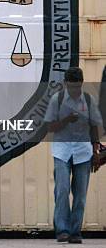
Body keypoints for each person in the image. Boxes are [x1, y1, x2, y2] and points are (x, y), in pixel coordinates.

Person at [45, 67, 103, 244]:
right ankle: (62, 230)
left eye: (77, 86)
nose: (74, 90)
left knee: (80, 195)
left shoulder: (88, 100)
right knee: (62, 190)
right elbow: (49, 127)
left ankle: (75, 231)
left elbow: (95, 126)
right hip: (62, 151)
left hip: (83, 152)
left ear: (82, 83)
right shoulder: (58, 99)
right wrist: (66, 120)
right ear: (65, 84)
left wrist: (96, 152)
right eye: (71, 87)